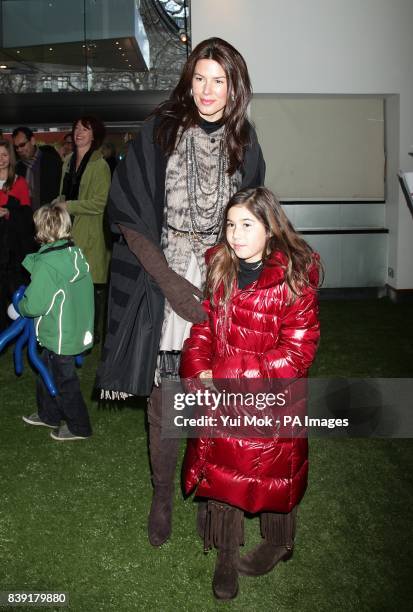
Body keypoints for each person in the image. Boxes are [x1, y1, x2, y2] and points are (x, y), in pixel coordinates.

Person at [97, 37, 266, 548]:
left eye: (219, 80)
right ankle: (162, 496)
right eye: (199, 78)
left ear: (234, 86)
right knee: (166, 399)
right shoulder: (159, 132)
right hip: (162, 277)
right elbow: (128, 216)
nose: (208, 90)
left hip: (222, 280)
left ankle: (207, 489)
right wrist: (170, 283)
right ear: (187, 81)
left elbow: (254, 221)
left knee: (212, 398)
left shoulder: (246, 141)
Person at [180, 187, 321, 600]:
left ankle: (279, 541)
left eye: (247, 225)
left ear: (271, 229)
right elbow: (204, 327)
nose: (235, 235)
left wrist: (226, 372)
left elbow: (296, 354)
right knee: (225, 474)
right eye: (230, 224)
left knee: (272, 473)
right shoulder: (221, 267)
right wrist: (198, 366)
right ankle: (226, 554)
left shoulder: (294, 278)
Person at [19, 204, 94, 441]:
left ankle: (79, 426)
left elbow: (34, 305)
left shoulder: (47, 265)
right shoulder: (74, 254)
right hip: (73, 328)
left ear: (41, 230)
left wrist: (20, 307)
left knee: (64, 380)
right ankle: (49, 414)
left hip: (59, 333)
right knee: (45, 370)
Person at [60, 116, 111, 343]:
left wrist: (68, 205)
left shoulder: (100, 165)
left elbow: (100, 203)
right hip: (68, 230)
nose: (79, 132)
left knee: (89, 286)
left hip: (90, 233)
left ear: (94, 135)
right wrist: (55, 205)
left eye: (85, 129)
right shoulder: (68, 160)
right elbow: (64, 194)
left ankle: (92, 334)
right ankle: (74, 329)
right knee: (70, 284)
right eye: (76, 128)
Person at [0, 138, 34, 332]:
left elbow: (26, 213)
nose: (1, 159)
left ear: (10, 157)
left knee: (13, 287)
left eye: (4, 155)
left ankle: (17, 327)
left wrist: (9, 212)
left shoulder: (19, 182)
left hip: (13, 246)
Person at [13, 126, 62, 211]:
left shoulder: (52, 162)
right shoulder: (17, 168)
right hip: (26, 219)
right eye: (16, 147)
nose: (19, 150)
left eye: (22, 145)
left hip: (49, 215)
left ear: (32, 141)